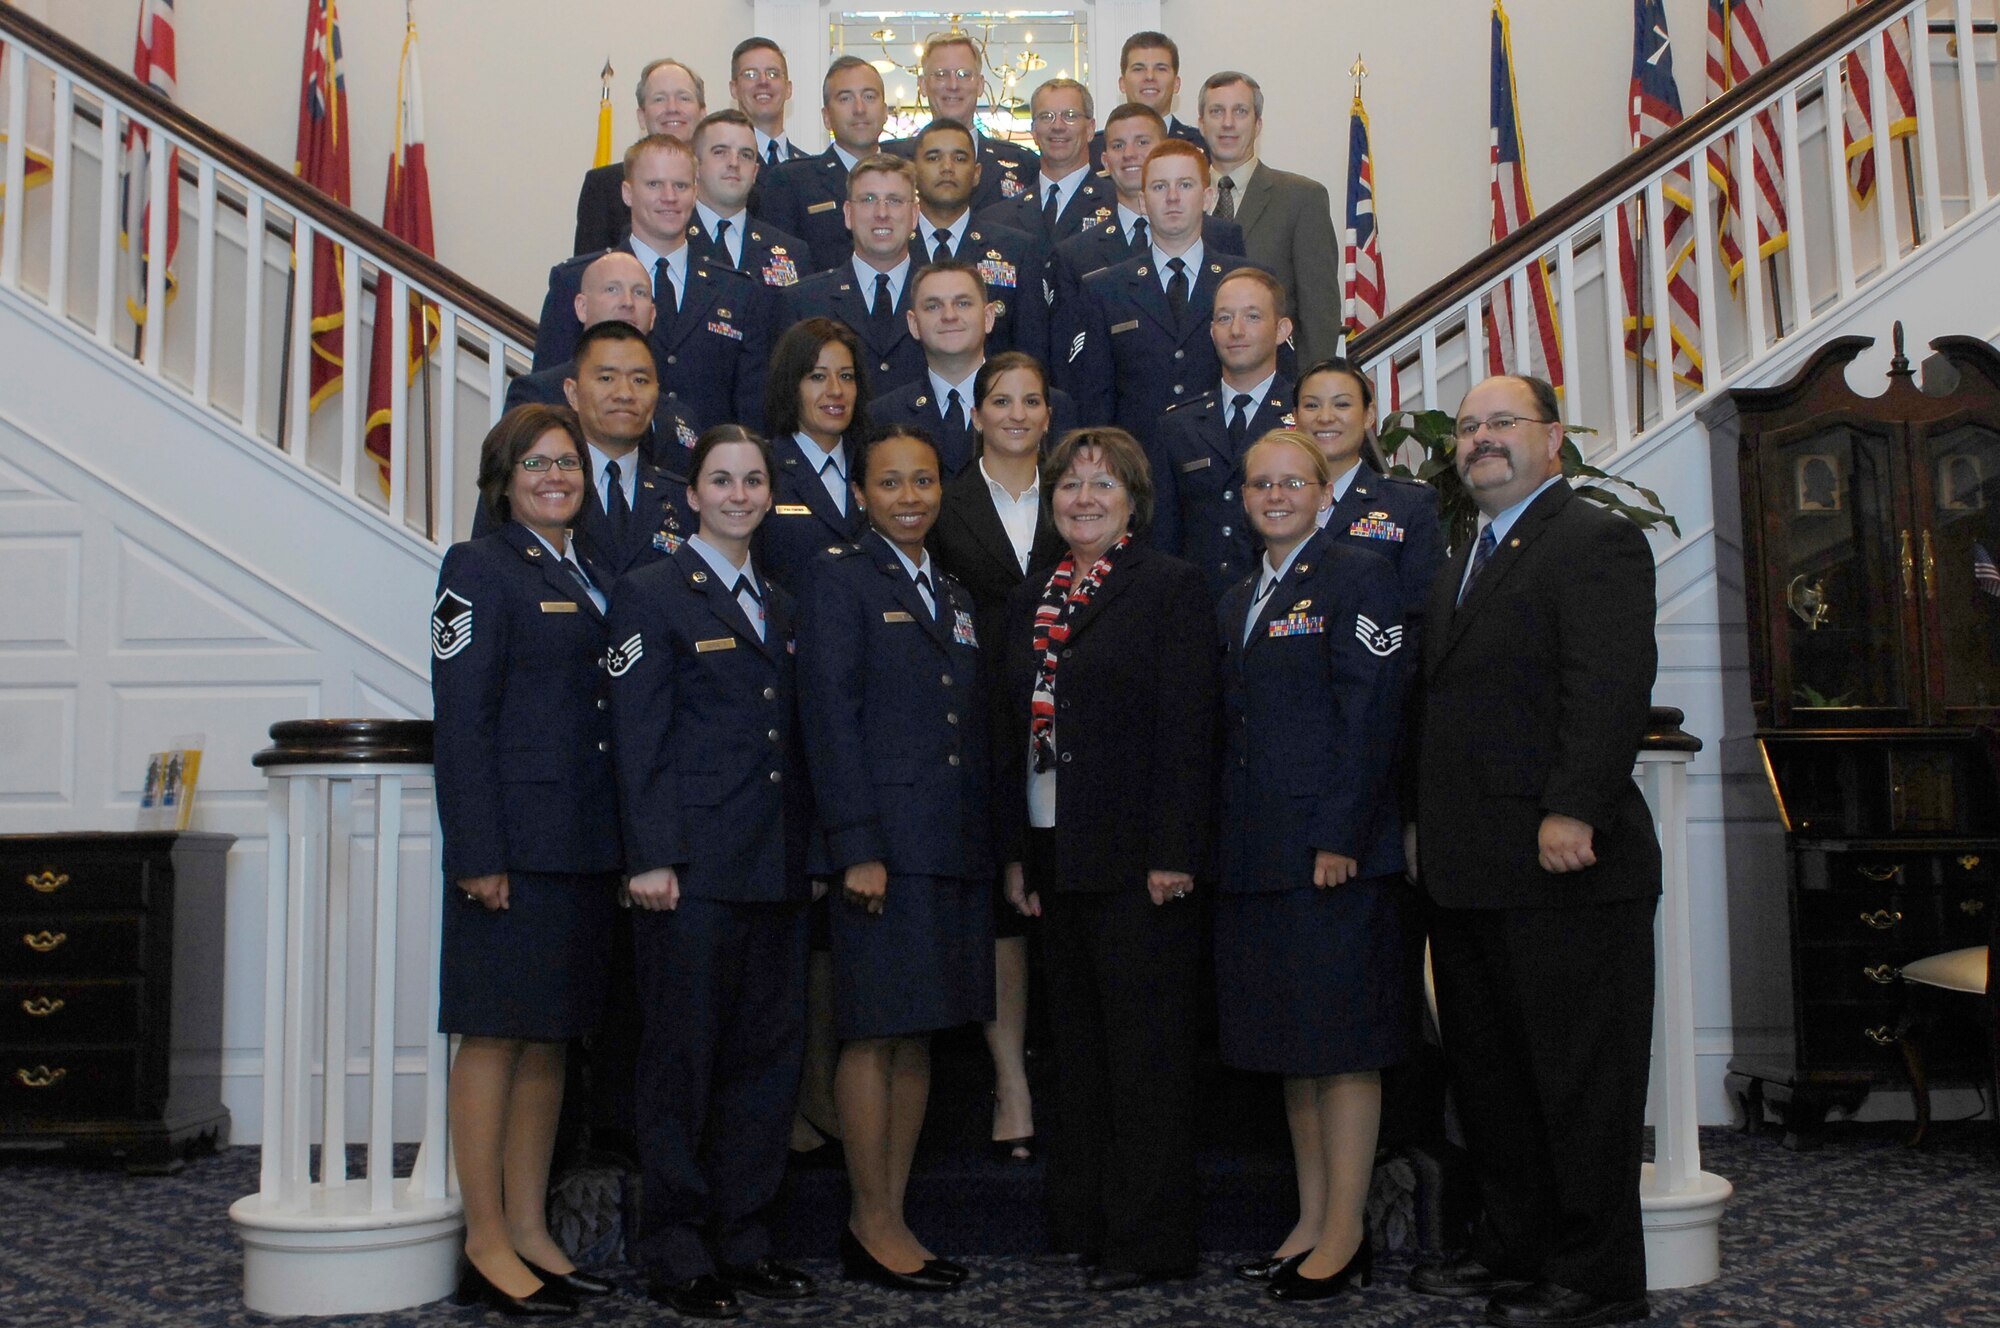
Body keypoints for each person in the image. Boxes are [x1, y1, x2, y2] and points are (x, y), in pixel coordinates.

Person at [1407, 375, 1660, 1328]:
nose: (1479, 439)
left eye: (1501, 423)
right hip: (1473, 874)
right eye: (1468, 428)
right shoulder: (1462, 558)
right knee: (1497, 1085)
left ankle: (1595, 1278)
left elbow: (1609, 686)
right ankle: (1513, 1254)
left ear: (1554, 439)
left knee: (1579, 1086)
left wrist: (1573, 810)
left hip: (1567, 865)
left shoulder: (1594, 539)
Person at [995, 428, 1219, 1290]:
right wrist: (1018, 853)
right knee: (1078, 1055)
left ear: (1134, 498)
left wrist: (1174, 851)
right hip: (1055, 853)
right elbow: (1012, 735)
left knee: (1147, 1059)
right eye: (1069, 486)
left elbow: (1188, 727)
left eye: (1102, 485)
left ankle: (1151, 1239)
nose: (1083, 498)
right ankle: (1086, 1220)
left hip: (1140, 861)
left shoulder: (1170, 588)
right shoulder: (1032, 597)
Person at [610, 424, 818, 1321]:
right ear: (690, 495)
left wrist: (810, 857)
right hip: (690, 872)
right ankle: (679, 1247)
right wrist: (650, 854)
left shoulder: (781, 598)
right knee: (682, 1070)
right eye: (722, 481)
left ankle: (745, 1237)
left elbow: (794, 748)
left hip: (772, 868)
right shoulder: (652, 593)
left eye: (753, 481)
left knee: (765, 1069)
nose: (739, 494)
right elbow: (637, 736)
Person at [432, 404, 622, 1319]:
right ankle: (484, 1237)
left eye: (569, 465)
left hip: (581, 844)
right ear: (504, 479)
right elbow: (461, 722)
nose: (557, 478)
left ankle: (531, 1228)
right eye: (539, 465)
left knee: (550, 1038)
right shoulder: (477, 568)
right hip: (508, 847)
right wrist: (476, 850)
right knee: (495, 1035)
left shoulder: (593, 569)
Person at [1214, 429, 1411, 1303]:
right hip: (1260, 852)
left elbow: (1371, 715)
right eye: (1261, 483)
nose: (1276, 494)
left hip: (1331, 853)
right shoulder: (1240, 596)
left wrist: (1340, 833)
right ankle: (1309, 1220)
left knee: (1343, 1046)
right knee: (1294, 1047)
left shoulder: (1357, 576)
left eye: (1293, 480)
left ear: (1326, 494)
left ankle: (1346, 1231)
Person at [796, 427, 994, 1293]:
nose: (909, 495)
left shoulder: (949, 590)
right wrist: (857, 846)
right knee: (873, 1032)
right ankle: (867, 1221)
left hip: (943, 846)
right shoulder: (839, 580)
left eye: (922, 481)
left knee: (915, 1035)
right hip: (880, 850)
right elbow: (828, 721)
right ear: (862, 494)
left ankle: (894, 1213)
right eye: (890, 482)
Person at [927, 351, 1069, 1167]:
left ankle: (1068, 1075)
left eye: (1032, 400)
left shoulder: (1080, 492)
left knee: (1061, 892)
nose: (1016, 413)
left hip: (1067, 727)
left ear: (1049, 414)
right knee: (998, 909)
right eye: (1001, 400)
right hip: (974, 724)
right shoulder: (942, 500)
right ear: (975, 413)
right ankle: (1009, 1080)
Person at [535, 136, 772, 435]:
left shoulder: (737, 291)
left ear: (696, 192)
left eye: (681, 186)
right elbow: (547, 398)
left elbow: (751, 411)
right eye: (654, 185)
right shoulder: (576, 279)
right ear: (627, 193)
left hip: (706, 472)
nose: (669, 197)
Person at [1055, 140, 1259, 444]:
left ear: (1207, 197)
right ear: (1142, 202)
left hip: (1227, 462)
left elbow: (1269, 385)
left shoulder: (1248, 283)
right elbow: (1095, 399)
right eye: (1160, 187)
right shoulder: (1106, 290)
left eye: (1185, 185)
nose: (1173, 198)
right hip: (1138, 466)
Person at [479, 322, 692, 586]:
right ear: (572, 393)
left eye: (640, 380)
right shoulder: (537, 485)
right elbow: (486, 569)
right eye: (606, 378)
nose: (625, 394)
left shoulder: (684, 500)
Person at [1150, 266, 1298, 598]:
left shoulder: (1303, 417)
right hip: (1197, 613)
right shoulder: (1177, 426)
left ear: (1281, 329)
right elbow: (1163, 539)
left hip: (1284, 610)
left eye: (1253, 316)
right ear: (1212, 331)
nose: (1237, 330)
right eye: (1224, 318)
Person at [873, 261, 1079, 479]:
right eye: (933, 306)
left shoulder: (1051, 407)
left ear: (988, 317)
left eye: (963, 303)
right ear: (913, 324)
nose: (949, 315)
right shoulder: (884, 415)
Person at [1297, 357, 1445, 647]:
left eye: (1342, 404)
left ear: (1369, 415)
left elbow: (1425, 621)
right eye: (1311, 405)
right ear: (1295, 416)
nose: (1325, 417)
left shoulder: (1408, 506)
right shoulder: (1273, 501)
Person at [1197, 72, 1341, 368]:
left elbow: (1319, 313)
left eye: (1240, 111)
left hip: (1277, 384)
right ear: (1201, 123)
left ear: (1258, 124)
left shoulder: (1302, 198)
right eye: (1216, 112)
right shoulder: (1180, 200)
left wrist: (1307, 392)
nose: (1227, 123)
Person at [504, 252, 700, 469]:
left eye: (640, 292)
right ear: (582, 307)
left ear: (652, 315)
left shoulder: (678, 415)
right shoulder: (537, 395)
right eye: (612, 289)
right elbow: (502, 488)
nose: (627, 302)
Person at [1052, 103, 1245, 305]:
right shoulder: (1077, 252)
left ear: (1163, 149)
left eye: (1142, 142)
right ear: (1105, 162)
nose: (1129, 154)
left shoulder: (1222, 237)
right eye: (1118, 145)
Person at [780, 154, 926, 399]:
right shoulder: (802, 302)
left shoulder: (941, 299)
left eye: (894, 200)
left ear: (914, 215)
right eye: (868, 199)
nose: (882, 213)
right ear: (848, 213)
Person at [904, 118, 1049, 363]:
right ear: (913, 171)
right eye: (933, 157)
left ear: (977, 174)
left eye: (960, 158)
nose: (947, 167)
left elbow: (1031, 353)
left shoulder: (1017, 250)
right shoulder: (892, 246)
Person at [756, 318, 870, 593]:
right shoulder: (762, 468)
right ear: (791, 384)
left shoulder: (874, 465)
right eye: (818, 376)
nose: (836, 390)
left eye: (846, 376)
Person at [757, 56, 889, 273]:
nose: (859, 108)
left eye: (869, 96)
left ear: (885, 112)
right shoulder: (792, 181)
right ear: (826, 117)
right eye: (845, 98)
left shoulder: (910, 178)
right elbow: (778, 270)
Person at [884, 33, 1034, 213]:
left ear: (980, 85)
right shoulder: (888, 160)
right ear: (922, 85)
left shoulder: (1024, 164)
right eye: (941, 75)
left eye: (964, 74)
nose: (953, 85)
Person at [574, 58, 705, 255]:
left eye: (684, 98)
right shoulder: (604, 186)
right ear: (641, 117)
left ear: (702, 114)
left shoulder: (722, 183)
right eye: (659, 99)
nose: (672, 108)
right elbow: (590, 274)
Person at [975, 78, 1114, 247]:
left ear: (1090, 129)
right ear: (1033, 131)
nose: (1057, 126)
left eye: (1070, 116)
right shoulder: (996, 218)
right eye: (1046, 117)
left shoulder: (1118, 206)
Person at [688, 109, 814, 290]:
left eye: (745, 155)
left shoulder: (793, 252)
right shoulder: (671, 239)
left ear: (755, 172)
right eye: (720, 152)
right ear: (695, 166)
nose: (734, 163)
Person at [1087, 31, 1210, 165]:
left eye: (1161, 68)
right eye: (1139, 69)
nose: (1150, 76)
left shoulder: (1203, 145)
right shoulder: (1093, 149)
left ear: (1176, 84)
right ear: (1122, 84)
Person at [729, 37, 806, 169]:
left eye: (772, 74)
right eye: (750, 74)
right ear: (734, 89)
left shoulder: (809, 170)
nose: (763, 81)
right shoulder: (724, 166)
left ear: (788, 89)